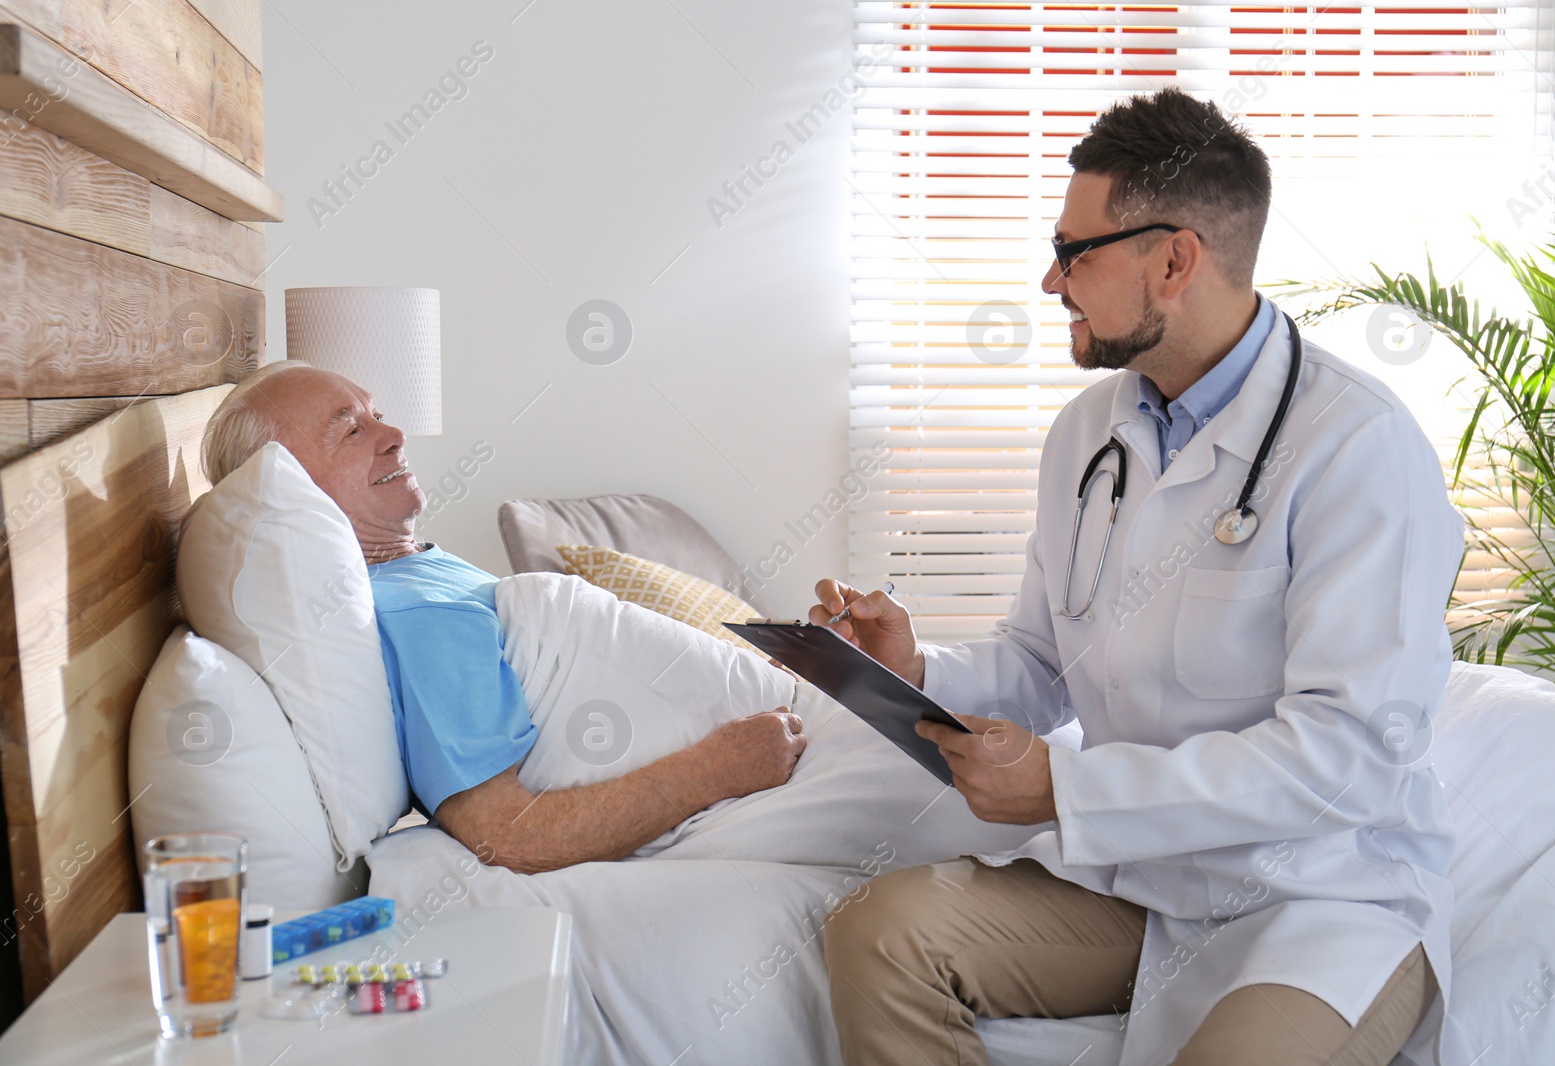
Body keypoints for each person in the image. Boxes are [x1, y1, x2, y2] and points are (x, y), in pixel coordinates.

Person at [813, 88, 1465, 1066]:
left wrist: (1069, 788)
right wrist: (913, 666)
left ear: (1174, 259)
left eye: (1074, 252)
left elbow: (1347, 757)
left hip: (1321, 895)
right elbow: (1040, 658)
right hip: (1144, 878)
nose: (1049, 280)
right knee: (879, 930)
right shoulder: (1089, 436)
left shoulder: (1359, 447)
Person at [200, 362, 809, 873]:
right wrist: (718, 767)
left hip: (795, 723)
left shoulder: (423, 575)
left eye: (376, 412)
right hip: (787, 770)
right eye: (350, 430)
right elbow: (509, 833)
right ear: (297, 492)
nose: (394, 433)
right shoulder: (415, 613)